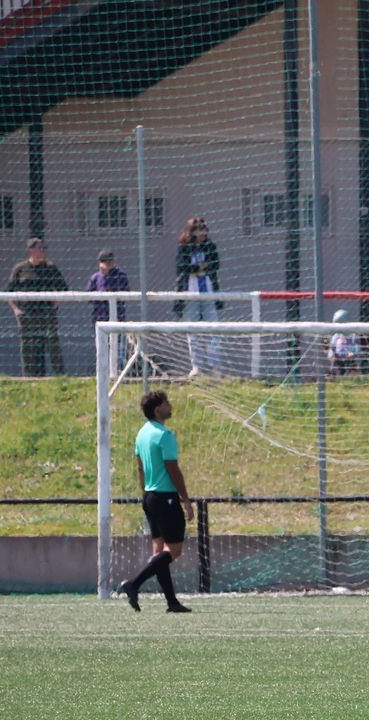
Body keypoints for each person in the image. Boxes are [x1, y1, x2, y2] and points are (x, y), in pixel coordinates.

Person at [118, 390, 193, 614]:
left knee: (159, 551)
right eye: (166, 402)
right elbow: (173, 469)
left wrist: (145, 494)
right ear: (158, 408)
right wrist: (186, 499)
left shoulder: (142, 434)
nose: (170, 406)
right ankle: (134, 584)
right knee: (175, 550)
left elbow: (140, 467)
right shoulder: (164, 434)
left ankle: (172, 602)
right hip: (166, 497)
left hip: (150, 497)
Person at [6, 237, 67, 376]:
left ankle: (61, 376)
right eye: (41, 248)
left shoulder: (51, 268)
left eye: (45, 248)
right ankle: (28, 378)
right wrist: (16, 310)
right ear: (31, 250)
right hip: (27, 314)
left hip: (46, 313)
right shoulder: (20, 269)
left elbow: (64, 289)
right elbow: (8, 292)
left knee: (53, 344)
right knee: (28, 346)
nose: (44, 251)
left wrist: (55, 304)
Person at [172, 216, 223, 375]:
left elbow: (215, 264)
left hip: (208, 291)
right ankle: (197, 367)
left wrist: (203, 268)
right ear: (191, 232)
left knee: (213, 328)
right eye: (198, 230)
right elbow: (182, 267)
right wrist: (197, 268)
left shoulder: (210, 246)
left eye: (204, 229)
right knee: (192, 330)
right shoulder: (184, 247)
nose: (202, 233)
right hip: (190, 292)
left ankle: (215, 366)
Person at [86, 249, 129, 324]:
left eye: (108, 263)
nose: (103, 266)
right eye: (102, 262)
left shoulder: (120, 276)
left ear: (112, 263)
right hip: (99, 316)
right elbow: (89, 296)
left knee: (117, 334)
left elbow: (125, 293)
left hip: (117, 315)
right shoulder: (95, 278)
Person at [329, 309, 360, 375]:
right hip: (338, 360)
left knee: (352, 368)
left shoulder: (353, 335)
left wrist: (353, 353)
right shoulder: (336, 336)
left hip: (350, 360)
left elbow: (357, 348)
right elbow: (332, 349)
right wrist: (332, 355)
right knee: (337, 367)